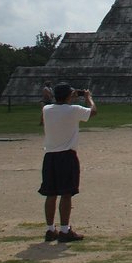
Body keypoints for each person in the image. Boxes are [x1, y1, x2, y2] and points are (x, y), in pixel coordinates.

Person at [39, 84, 97, 242]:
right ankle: (65, 230)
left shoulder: (47, 110)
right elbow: (93, 112)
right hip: (67, 156)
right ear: (69, 96)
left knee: (50, 194)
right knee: (66, 193)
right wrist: (88, 98)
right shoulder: (73, 110)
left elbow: (47, 114)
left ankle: (50, 230)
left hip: (50, 156)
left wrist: (71, 96)